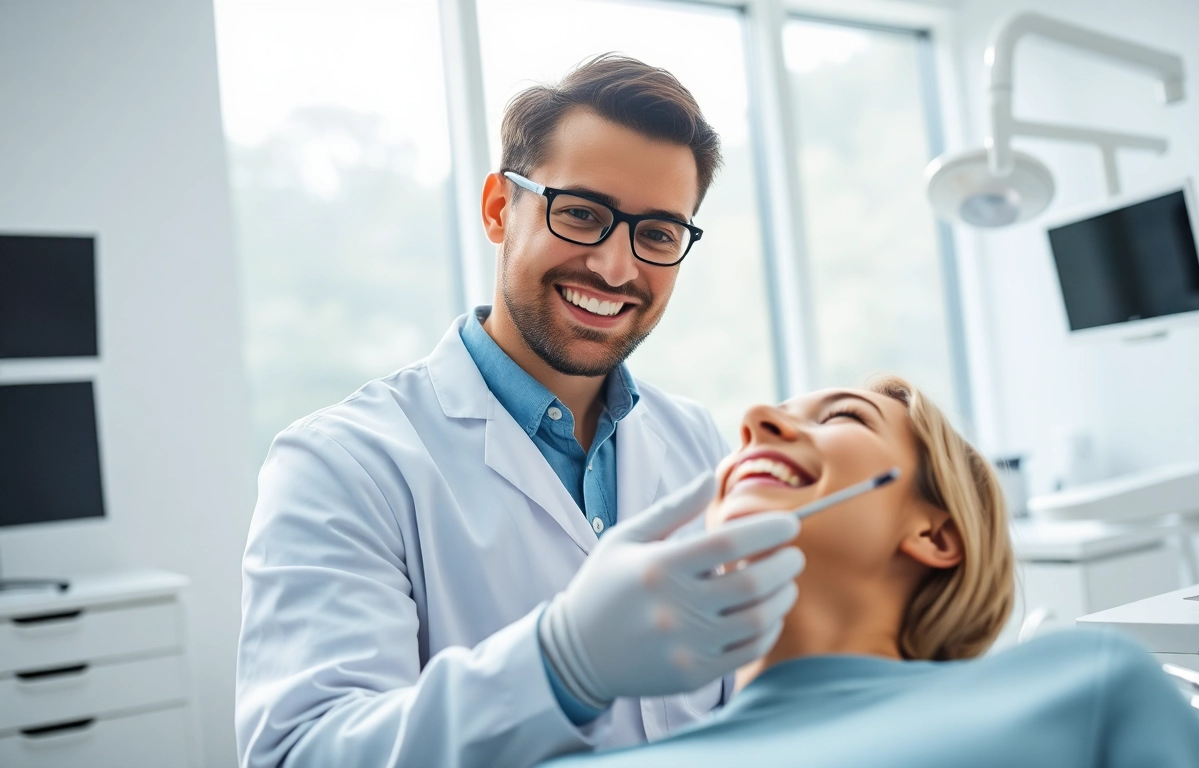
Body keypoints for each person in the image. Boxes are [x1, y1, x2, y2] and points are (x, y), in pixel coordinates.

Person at [235, 56, 806, 768]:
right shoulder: (341, 464)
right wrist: (560, 666)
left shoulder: (693, 437)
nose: (615, 269)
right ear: (500, 209)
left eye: (657, 234)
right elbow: (302, 752)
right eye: (582, 215)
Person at [543, 376, 1199, 767]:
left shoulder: (1080, 689)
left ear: (936, 533)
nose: (754, 421)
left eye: (843, 415)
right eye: (766, 418)